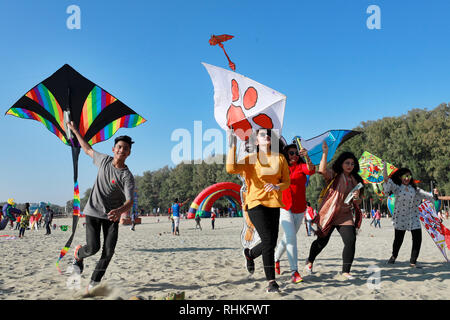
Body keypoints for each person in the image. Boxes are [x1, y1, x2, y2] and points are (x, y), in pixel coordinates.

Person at [67, 121, 135, 291]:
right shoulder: (103, 160)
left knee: (109, 251)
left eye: (125, 148)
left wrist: (119, 211)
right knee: (93, 248)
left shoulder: (127, 176)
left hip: (112, 216)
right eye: (119, 147)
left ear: (129, 153)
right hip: (93, 212)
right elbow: (87, 149)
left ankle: (93, 283)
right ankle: (78, 254)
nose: (122, 150)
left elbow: (130, 201)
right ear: (114, 149)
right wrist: (75, 130)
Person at [226, 128, 290, 293]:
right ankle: (271, 281)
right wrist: (232, 146)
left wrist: (277, 186)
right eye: (262, 134)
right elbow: (231, 169)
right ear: (256, 141)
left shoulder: (280, 158)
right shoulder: (251, 159)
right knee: (268, 240)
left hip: (274, 203)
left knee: (271, 242)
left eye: (269, 133)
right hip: (255, 203)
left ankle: (250, 254)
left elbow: (286, 182)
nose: (267, 135)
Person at [305, 142, 364, 280]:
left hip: (345, 215)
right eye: (347, 163)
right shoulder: (334, 175)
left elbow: (359, 201)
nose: (350, 166)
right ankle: (310, 260)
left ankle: (346, 271)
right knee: (322, 241)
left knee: (350, 241)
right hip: (329, 213)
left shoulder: (356, 179)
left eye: (352, 164)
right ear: (341, 163)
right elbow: (322, 170)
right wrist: (325, 153)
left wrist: (357, 197)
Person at [382, 164, 439, 268]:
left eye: (409, 176)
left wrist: (434, 194)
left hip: (413, 216)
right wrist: (384, 167)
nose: (407, 178)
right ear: (400, 177)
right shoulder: (397, 187)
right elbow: (386, 180)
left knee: (418, 238)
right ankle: (394, 256)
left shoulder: (415, 189)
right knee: (398, 239)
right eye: (405, 176)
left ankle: (413, 261)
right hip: (400, 217)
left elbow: (426, 195)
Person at [274, 143, 316, 284]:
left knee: (287, 238)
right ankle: (294, 271)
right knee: (292, 238)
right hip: (284, 207)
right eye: (291, 153)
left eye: (296, 153)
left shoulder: (301, 167)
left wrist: (307, 157)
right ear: (285, 154)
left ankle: (276, 258)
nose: (294, 156)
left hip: (299, 209)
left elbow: (311, 170)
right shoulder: (280, 168)